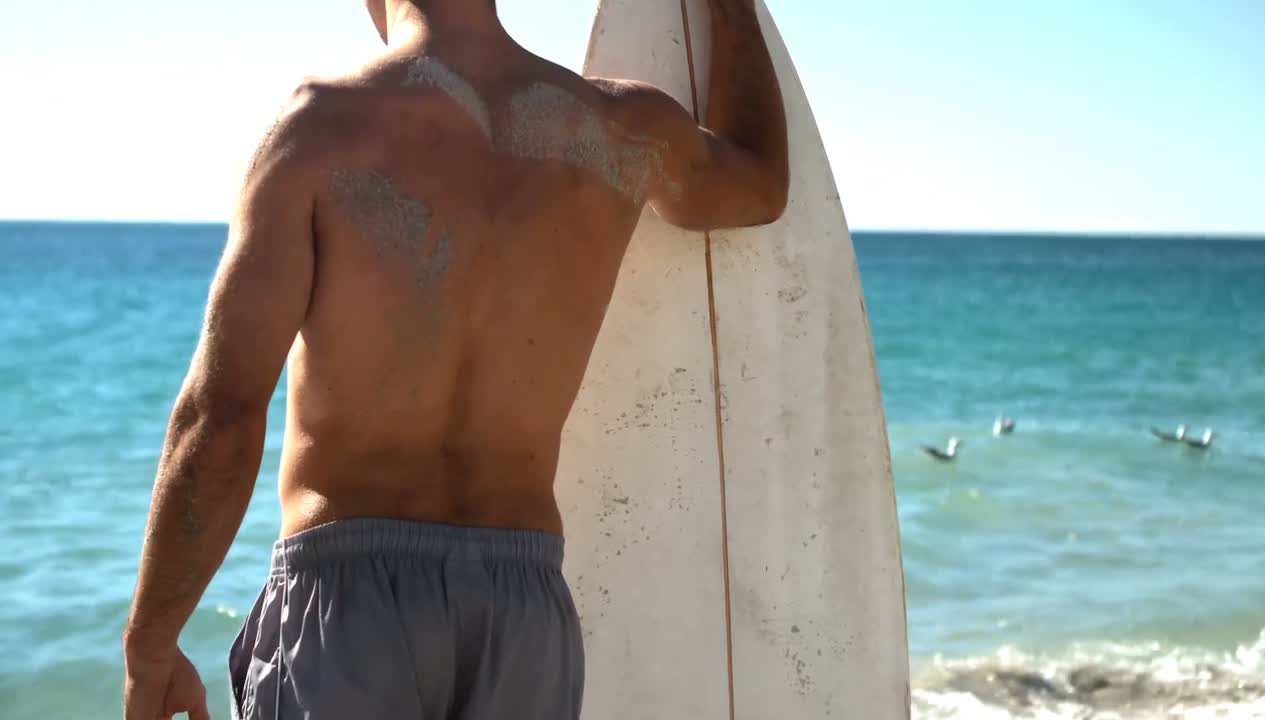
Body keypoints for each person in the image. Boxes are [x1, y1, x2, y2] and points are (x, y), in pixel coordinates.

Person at [121, 0, 789, 718]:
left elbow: (219, 419)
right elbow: (761, 185)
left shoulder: (318, 130)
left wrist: (150, 650)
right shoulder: (623, 132)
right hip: (523, 612)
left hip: (348, 606)